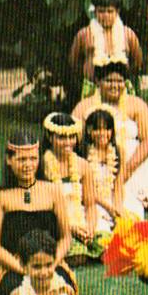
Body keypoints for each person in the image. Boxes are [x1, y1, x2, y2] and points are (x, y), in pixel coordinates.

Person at [0, 131, 77, 295]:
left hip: (49, 262)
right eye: (22, 159)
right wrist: (25, 269)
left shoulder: (53, 191)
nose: (28, 165)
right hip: (14, 265)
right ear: (9, 160)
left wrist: (50, 265)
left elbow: (66, 237)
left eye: (33, 159)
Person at [72, 59, 148, 210]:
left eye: (119, 81)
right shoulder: (85, 106)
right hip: (97, 161)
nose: (115, 86)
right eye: (109, 81)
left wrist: (125, 171)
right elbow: (73, 138)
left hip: (133, 162)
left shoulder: (136, 104)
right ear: (98, 81)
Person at [41, 112, 101, 265]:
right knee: (76, 256)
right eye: (62, 138)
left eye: (71, 137)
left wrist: (90, 227)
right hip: (53, 222)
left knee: (106, 246)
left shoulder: (82, 165)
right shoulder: (42, 166)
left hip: (80, 219)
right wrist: (70, 228)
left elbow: (90, 204)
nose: (68, 142)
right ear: (50, 137)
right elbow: (43, 209)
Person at [69, 0, 143, 99]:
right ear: (95, 11)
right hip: (92, 88)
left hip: (121, 88)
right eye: (101, 11)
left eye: (110, 11)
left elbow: (136, 62)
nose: (105, 16)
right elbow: (75, 63)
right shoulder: (84, 34)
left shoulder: (128, 34)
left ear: (117, 11)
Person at [80, 104, 145, 233]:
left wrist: (117, 205)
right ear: (88, 130)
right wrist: (108, 207)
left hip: (112, 195)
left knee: (132, 214)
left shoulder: (118, 151)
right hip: (92, 199)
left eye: (107, 129)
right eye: (97, 129)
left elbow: (118, 184)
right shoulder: (83, 153)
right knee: (99, 223)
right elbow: (86, 190)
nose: (102, 134)